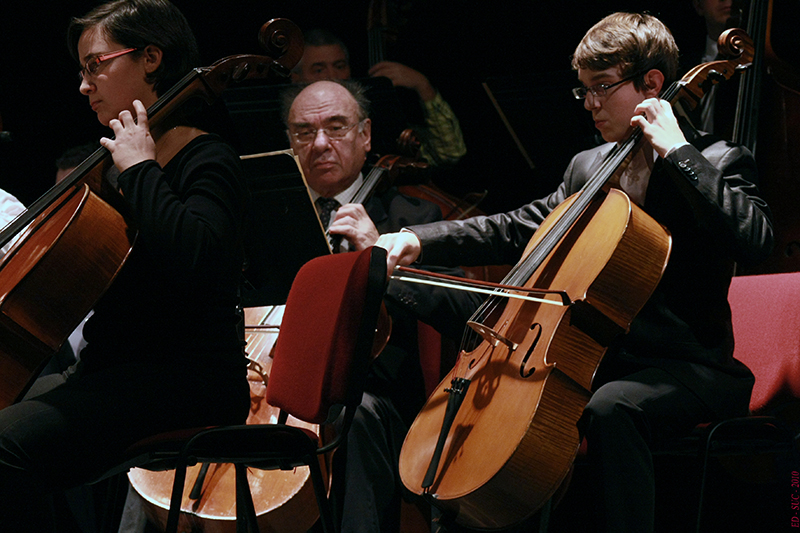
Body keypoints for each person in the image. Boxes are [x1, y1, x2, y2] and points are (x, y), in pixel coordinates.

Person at [372, 12, 773, 532]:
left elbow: (755, 240)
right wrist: (417, 239)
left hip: (686, 367)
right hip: (590, 356)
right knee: (411, 294)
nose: (589, 103)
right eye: (583, 89)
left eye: (602, 87)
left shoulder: (718, 159)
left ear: (652, 84)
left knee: (612, 408)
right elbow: (520, 225)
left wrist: (677, 150)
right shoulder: (590, 165)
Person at [0, 1, 250, 531]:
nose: (84, 85)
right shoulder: (113, 169)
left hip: (185, 379)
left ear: (151, 58)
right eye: (82, 70)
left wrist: (139, 168)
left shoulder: (206, 156)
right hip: (112, 370)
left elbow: (200, 261)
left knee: (4, 448)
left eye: (96, 65)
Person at [283, 78, 482, 533]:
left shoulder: (413, 219)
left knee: (354, 416)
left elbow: (467, 309)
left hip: (381, 399)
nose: (320, 144)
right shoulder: (269, 217)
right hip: (278, 386)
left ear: (366, 135)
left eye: (336, 128)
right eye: (304, 132)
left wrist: (381, 258)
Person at [291, 28, 467, 168]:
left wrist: (423, 86)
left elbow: (450, 153)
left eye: (339, 66)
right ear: (296, 77)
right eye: (319, 69)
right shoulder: (291, 124)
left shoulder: (374, 115)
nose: (333, 76)